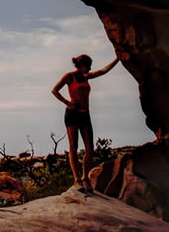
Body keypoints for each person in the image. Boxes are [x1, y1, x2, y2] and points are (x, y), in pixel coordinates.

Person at [51, 53, 126, 192]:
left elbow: (103, 70)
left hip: (85, 114)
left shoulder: (87, 77)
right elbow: (54, 90)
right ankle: (77, 180)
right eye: (88, 66)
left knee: (90, 148)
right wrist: (67, 102)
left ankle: (86, 178)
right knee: (73, 147)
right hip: (72, 114)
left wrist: (118, 59)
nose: (90, 68)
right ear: (80, 65)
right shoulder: (70, 76)